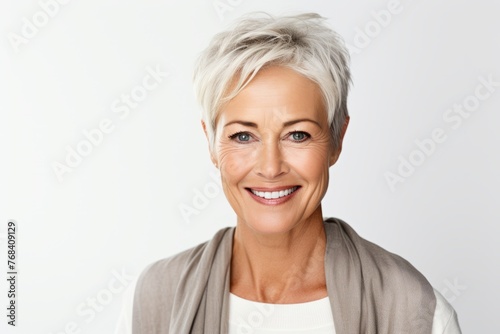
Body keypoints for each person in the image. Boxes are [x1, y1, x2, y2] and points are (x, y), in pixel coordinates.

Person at [126, 12, 462, 333]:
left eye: (297, 135)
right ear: (211, 144)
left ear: (336, 139)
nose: (271, 168)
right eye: (244, 136)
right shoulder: (156, 300)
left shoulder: (414, 311)